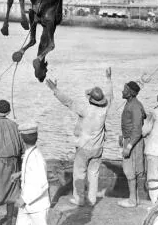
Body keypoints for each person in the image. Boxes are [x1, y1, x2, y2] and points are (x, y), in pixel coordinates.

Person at [46, 68, 113, 206]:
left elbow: (68, 102)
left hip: (83, 147)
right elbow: (110, 94)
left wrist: (55, 89)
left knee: (79, 173)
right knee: (94, 173)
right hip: (98, 148)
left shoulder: (85, 110)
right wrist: (108, 78)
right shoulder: (105, 109)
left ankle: (79, 199)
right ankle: (92, 199)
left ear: (90, 99)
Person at [12, 123, 54, 225]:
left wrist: (24, 199)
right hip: (26, 205)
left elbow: (42, 184)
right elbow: (32, 171)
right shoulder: (30, 152)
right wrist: (20, 174)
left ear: (22, 138)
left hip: (37, 206)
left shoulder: (36, 157)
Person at [118, 81, 146, 208]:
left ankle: (132, 200)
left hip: (133, 142)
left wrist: (129, 146)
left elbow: (137, 130)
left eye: (124, 89)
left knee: (131, 170)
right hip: (129, 139)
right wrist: (122, 135)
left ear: (130, 93)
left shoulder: (134, 106)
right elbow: (142, 116)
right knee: (131, 169)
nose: (122, 91)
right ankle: (135, 199)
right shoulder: (131, 103)